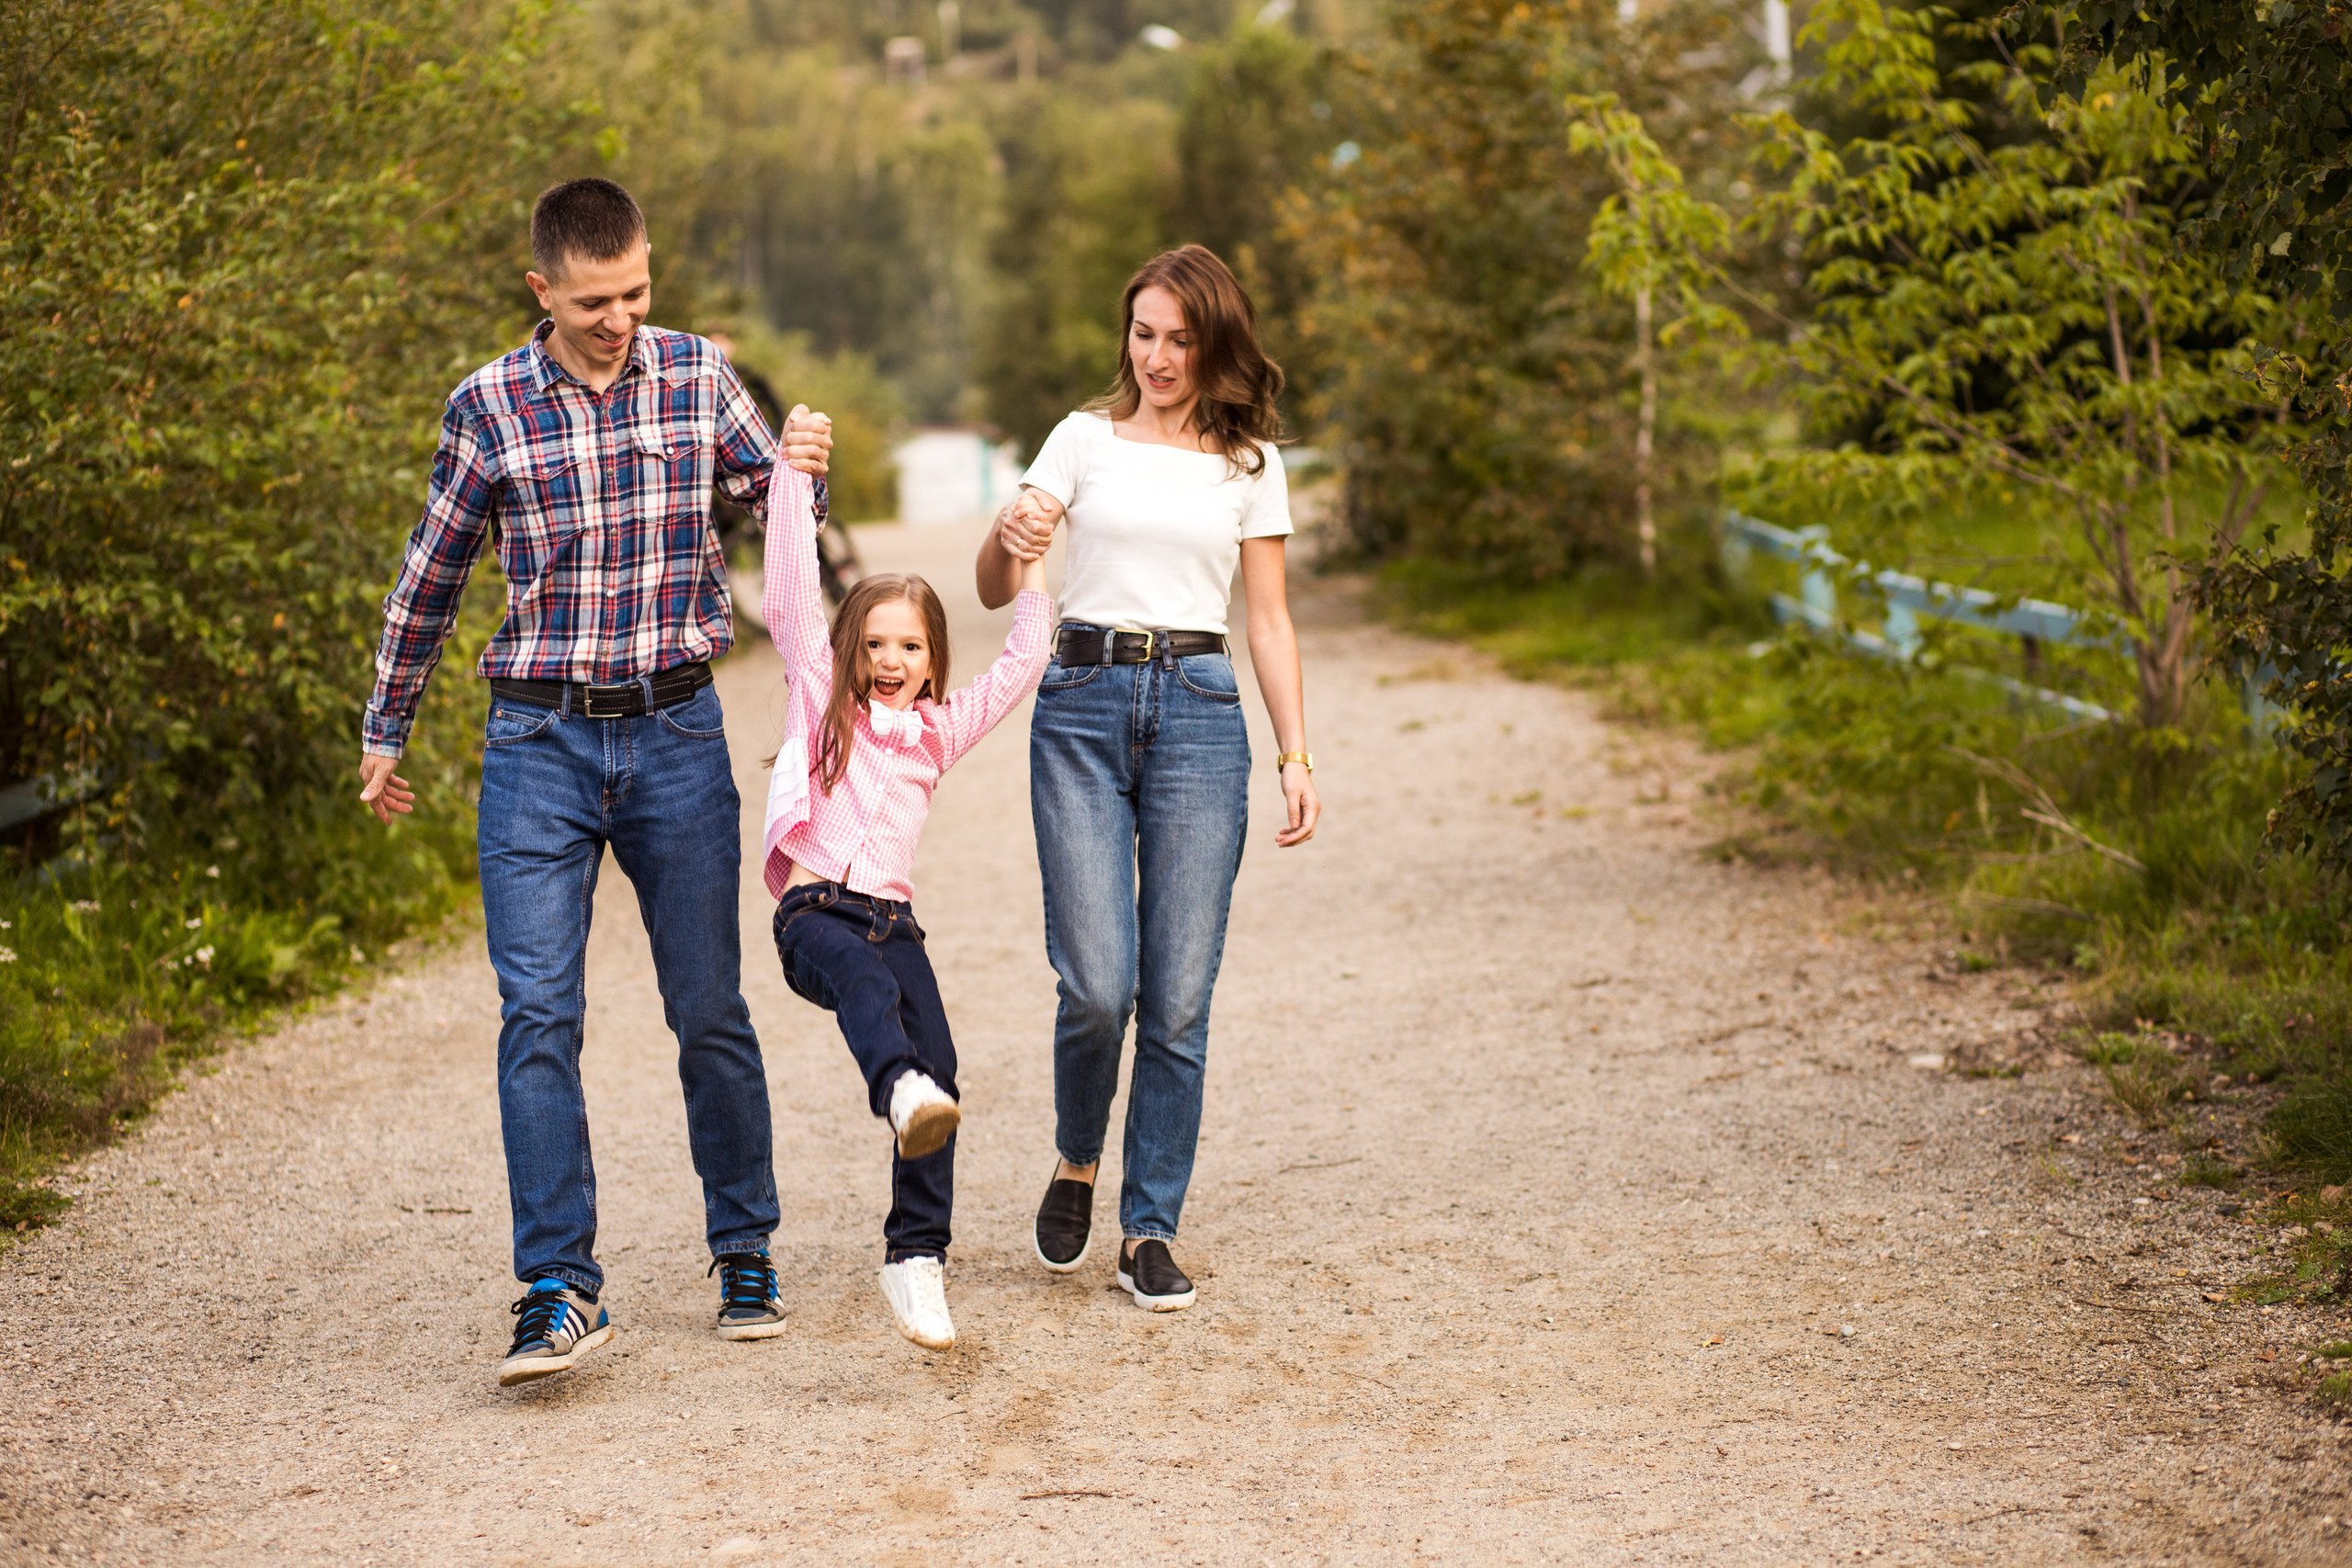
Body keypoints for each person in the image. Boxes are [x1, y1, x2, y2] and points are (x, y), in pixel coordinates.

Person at [356, 177, 834, 1387]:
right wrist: (386, 727)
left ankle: (746, 1250)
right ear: (542, 292)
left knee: (708, 1007)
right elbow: (432, 577)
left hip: (676, 734)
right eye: (591, 302)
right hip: (539, 744)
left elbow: (778, 525)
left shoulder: (700, 374)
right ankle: (558, 1287)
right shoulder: (488, 406)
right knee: (537, 1016)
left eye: (633, 293)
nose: (617, 318)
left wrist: (803, 474)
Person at [974, 243, 1320, 1313]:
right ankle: (1078, 1155)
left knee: (1176, 996)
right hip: (1080, 707)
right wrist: (1010, 535)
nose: (1157, 355)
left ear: (1212, 340)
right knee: (1097, 983)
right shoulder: (1081, 439)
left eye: (1178, 337)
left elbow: (1266, 618)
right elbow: (996, 587)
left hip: (1202, 721)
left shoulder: (1250, 466)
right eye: (1142, 332)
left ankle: (1148, 1227)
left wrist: (1294, 752)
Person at [759, 457, 1052, 1351]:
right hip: (816, 914)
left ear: (933, 662)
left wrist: (1031, 556)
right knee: (867, 993)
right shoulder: (822, 702)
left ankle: (915, 1259)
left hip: (895, 920)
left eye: (911, 647)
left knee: (944, 1071)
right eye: (876, 644)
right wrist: (791, 479)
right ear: (848, 651)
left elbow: (1024, 658)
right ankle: (896, 1089)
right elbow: (787, 596)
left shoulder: (937, 732)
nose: (891, 660)